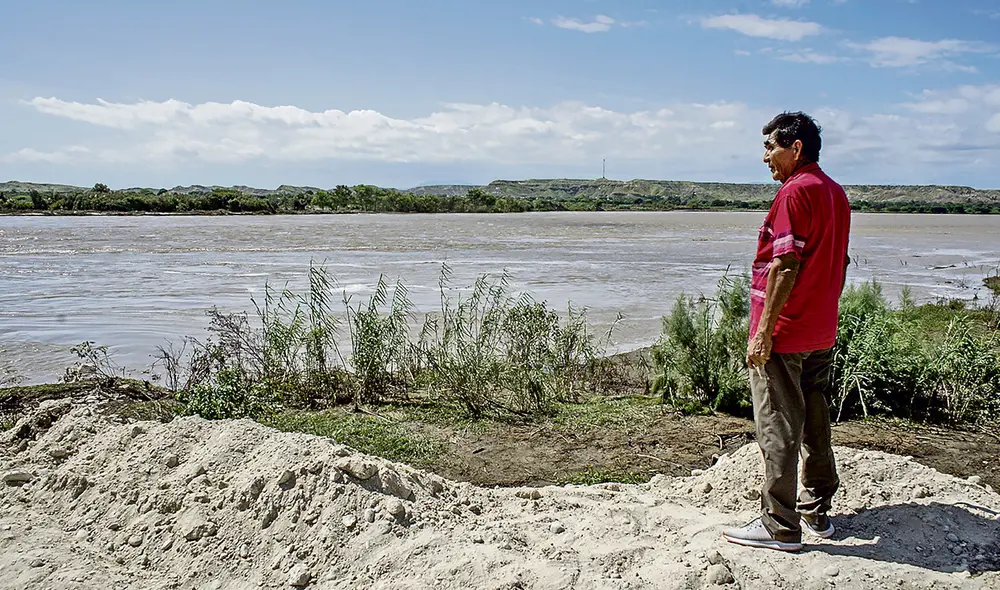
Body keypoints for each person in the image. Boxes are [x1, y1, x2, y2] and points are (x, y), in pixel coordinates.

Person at [721, 111, 852, 552]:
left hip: (786, 333)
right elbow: (840, 263)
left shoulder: (794, 194)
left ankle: (780, 525)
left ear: (796, 148)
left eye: (769, 147)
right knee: (815, 419)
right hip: (820, 329)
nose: (764, 158)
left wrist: (763, 332)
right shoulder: (835, 192)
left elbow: (786, 263)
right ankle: (817, 512)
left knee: (777, 421)